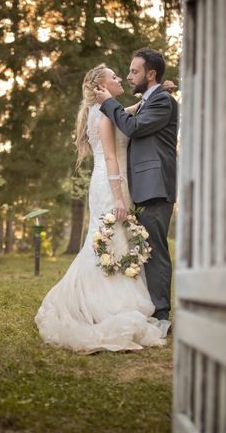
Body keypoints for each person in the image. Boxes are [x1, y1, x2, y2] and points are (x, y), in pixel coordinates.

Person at [34, 64, 169, 355]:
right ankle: (108, 303)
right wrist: (119, 199)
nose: (121, 78)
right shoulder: (106, 115)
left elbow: (128, 111)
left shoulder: (103, 110)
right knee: (112, 240)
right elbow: (110, 158)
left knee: (111, 240)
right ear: (101, 85)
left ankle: (114, 295)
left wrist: (152, 97)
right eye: (114, 77)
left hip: (108, 184)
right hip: (112, 185)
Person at [94, 48, 178, 327]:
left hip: (155, 186)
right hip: (142, 187)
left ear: (150, 74)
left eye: (134, 71)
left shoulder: (162, 102)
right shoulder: (150, 99)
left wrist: (108, 103)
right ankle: (152, 307)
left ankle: (162, 314)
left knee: (155, 250)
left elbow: (134, 127)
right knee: (145, 250)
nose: (129, 76)